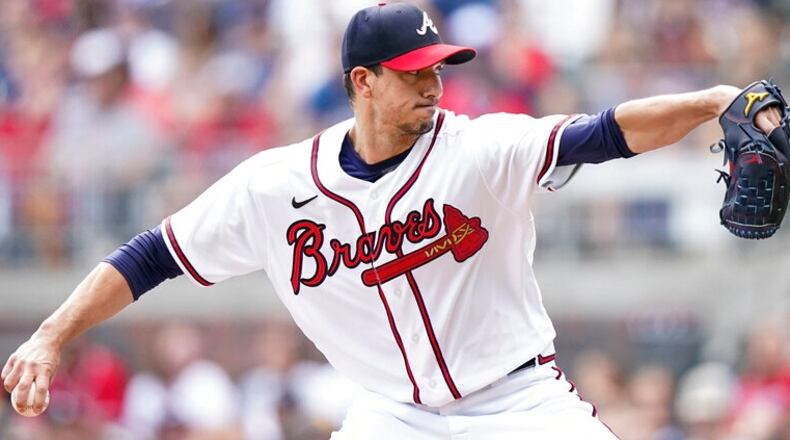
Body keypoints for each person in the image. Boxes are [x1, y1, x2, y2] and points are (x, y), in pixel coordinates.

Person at [2, 3, 785, 438]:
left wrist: (713, 103)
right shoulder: (274, 186)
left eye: (438, 70)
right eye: (413, 75)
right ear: (361, 82)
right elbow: (149, 256)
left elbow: (608, 131)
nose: (434, 86)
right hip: (392, 418)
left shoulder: (481, 149)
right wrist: (49, 334)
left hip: (516, 403)